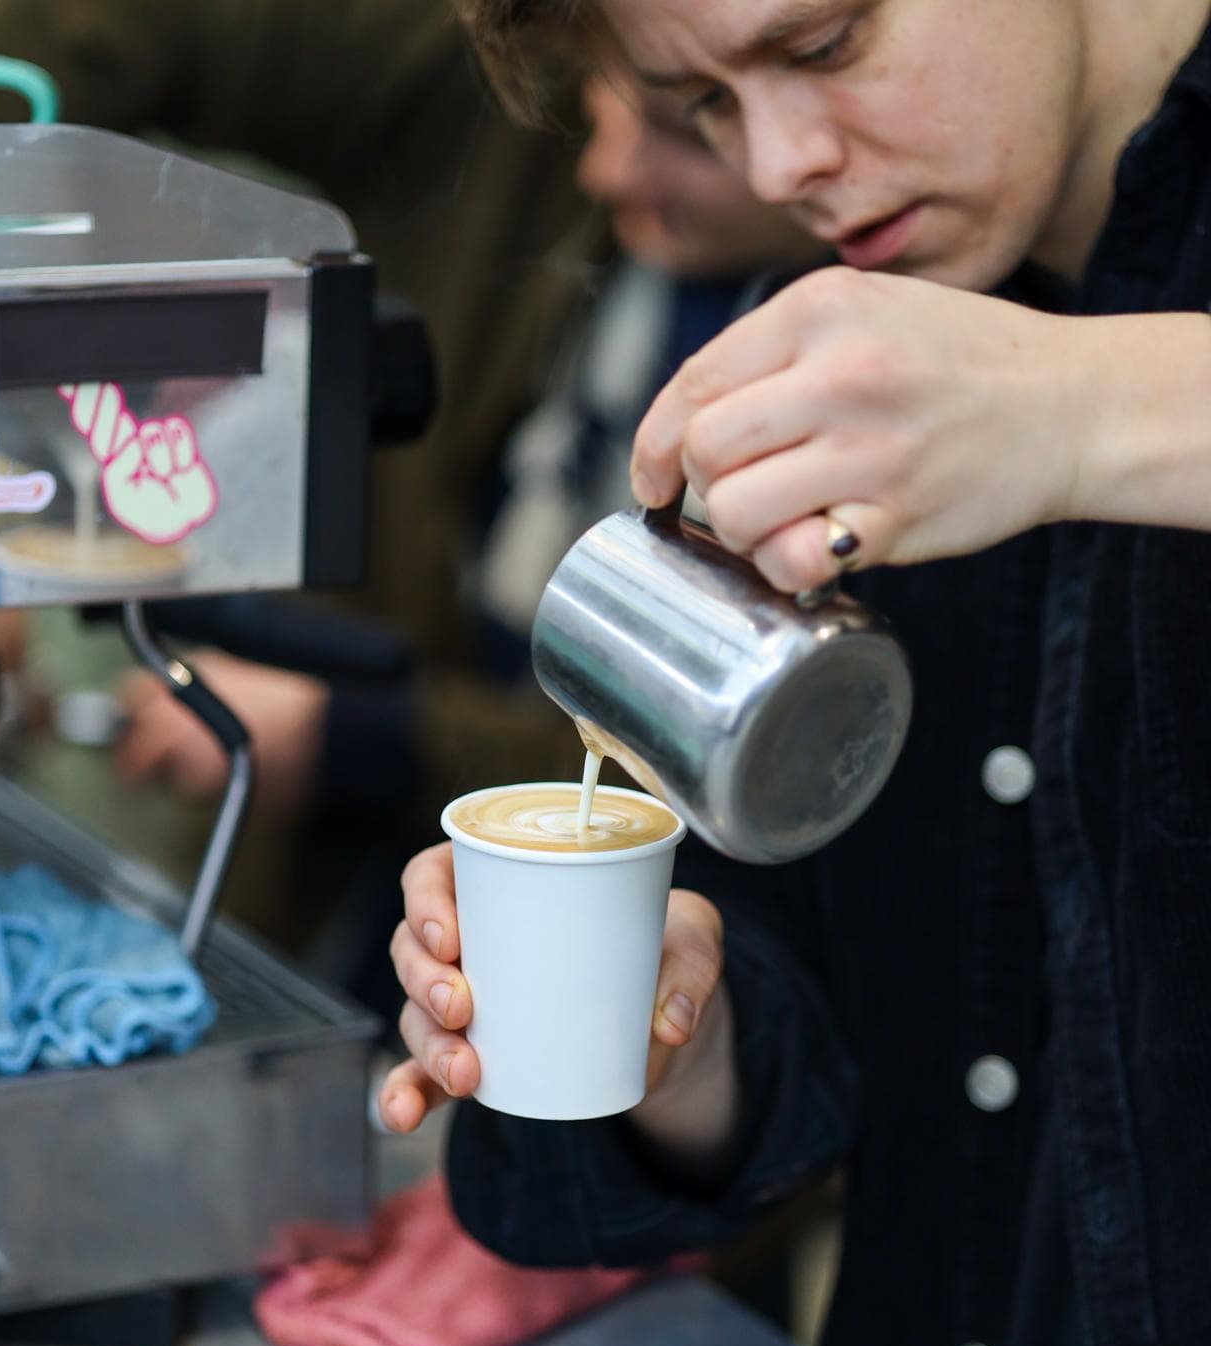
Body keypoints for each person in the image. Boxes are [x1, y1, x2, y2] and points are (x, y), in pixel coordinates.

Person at [382, 0, 1211, 1346]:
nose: (782, 162)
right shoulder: (842, 338)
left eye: (824, 44)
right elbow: (842, 989)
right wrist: (675, 1030)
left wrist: (1083, 409)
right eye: (702, 103)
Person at [107, 71, 815, 1023]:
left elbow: (725, 764)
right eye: (610, 107)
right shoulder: (565, 211)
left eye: (686, 134)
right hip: (344, 911)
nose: (604, 169)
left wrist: (357, 738)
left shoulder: (838, 421)